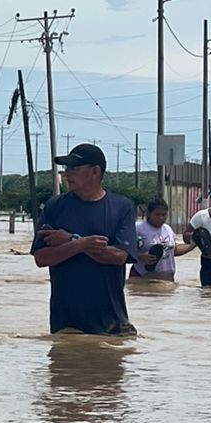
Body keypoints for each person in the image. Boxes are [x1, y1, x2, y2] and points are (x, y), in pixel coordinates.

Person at [32, 143, 138, 335]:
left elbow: (119, 256)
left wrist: (72, 240)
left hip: (112, 323)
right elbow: (42, 258)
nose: (67, 174)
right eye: (66, 168)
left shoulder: (122, 207)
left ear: (95, 171)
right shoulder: (54, 206)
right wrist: (79, 244)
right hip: (66, 323)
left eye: (74, 168)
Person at [131, 199, 195, 281]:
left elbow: (174, 251)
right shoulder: (138, 228)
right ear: (149, 214)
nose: (161, 218)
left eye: (164, 215)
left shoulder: (167, 229)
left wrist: (193, 245)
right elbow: (125, 250)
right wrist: (140, 257)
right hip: (142, 277)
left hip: (167, 279)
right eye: (157, 215)